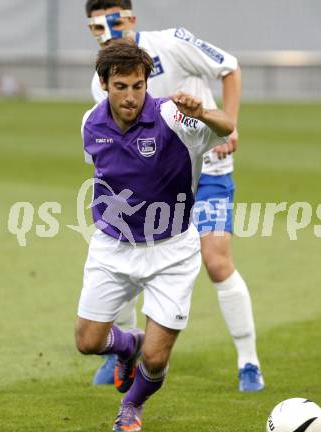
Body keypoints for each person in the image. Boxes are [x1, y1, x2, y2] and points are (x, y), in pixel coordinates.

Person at [85, 0, 265, 392]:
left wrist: (229, 126)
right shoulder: (100, 80)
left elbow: (229, 67)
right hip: (156, 185)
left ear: (131, 18)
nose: (107, 31)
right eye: (96, 26)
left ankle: (248, 361)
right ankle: (126, 349)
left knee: (216, 262)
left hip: (209, 168)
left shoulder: (171, 43)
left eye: (113, 21)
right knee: (126, 244)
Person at [76, 40, 234, 432]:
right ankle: (127, 345)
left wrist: (204, 113)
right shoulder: (90, 123)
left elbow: (227, 127)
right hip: (113, 246)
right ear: (104, 84)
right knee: (87, 342)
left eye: (138, 86)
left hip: (172, 251)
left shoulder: (172, 117)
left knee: (158, 359)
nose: (130, 97)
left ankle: (131, 406)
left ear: (148, 83)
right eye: (120, 87)